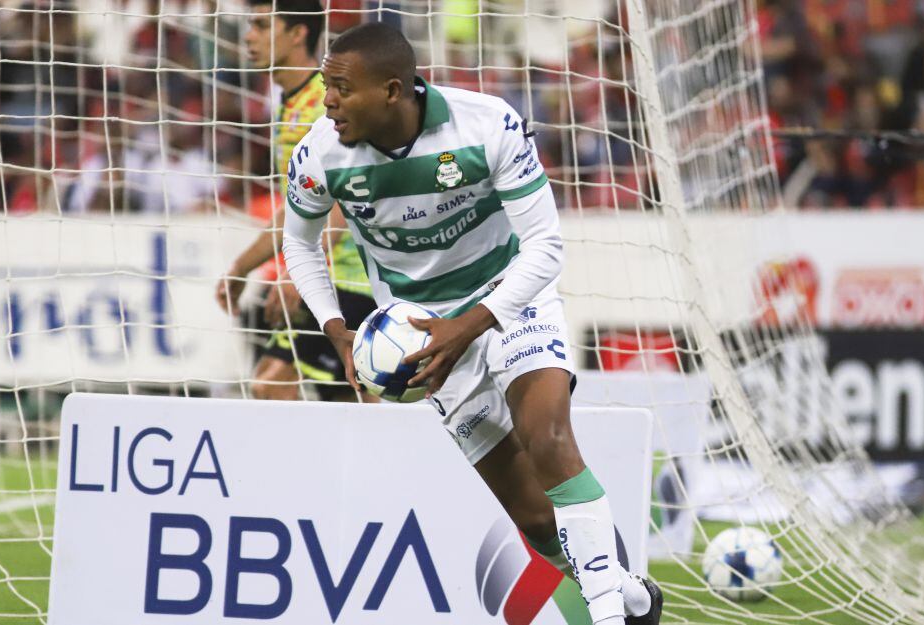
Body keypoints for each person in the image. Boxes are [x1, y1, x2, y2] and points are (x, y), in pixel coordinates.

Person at [282, 22, 661, 625]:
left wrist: (472, 325)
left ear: (392, 90)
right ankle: (632, 596)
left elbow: (545, 246)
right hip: (420, 330)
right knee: (536, 519)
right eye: (327, 86)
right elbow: (299, 245)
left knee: (550, 438)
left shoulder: (485, 124)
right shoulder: (320, 154)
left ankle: (609, 617)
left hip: (509, 296)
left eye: (340, 88)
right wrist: (337, 330)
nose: (326, 100)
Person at [215, 0, 375, 402]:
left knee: (274, 386)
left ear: (298, 33)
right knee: (340, 400)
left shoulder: (327, 102)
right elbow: (299, 206)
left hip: (358, 277)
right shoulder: (289, 104)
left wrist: (303, 273)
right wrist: (241, 267)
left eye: (261, 25)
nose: (248, 36)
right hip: (334, 276)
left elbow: (345, 191)